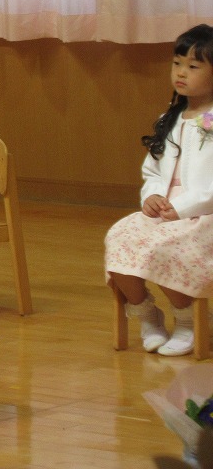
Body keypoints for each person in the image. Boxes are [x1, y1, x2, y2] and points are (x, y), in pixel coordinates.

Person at [106, 23, 213, 356]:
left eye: (193, 66)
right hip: (166, 212)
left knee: (165, 246)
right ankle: (147, 314)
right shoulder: (170, 118)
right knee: (120, 237)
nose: (180, 73)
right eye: (177, 63)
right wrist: (151, 196)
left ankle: (189, 320)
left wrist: (183, 208)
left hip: (202, 215)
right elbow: (152, 169)